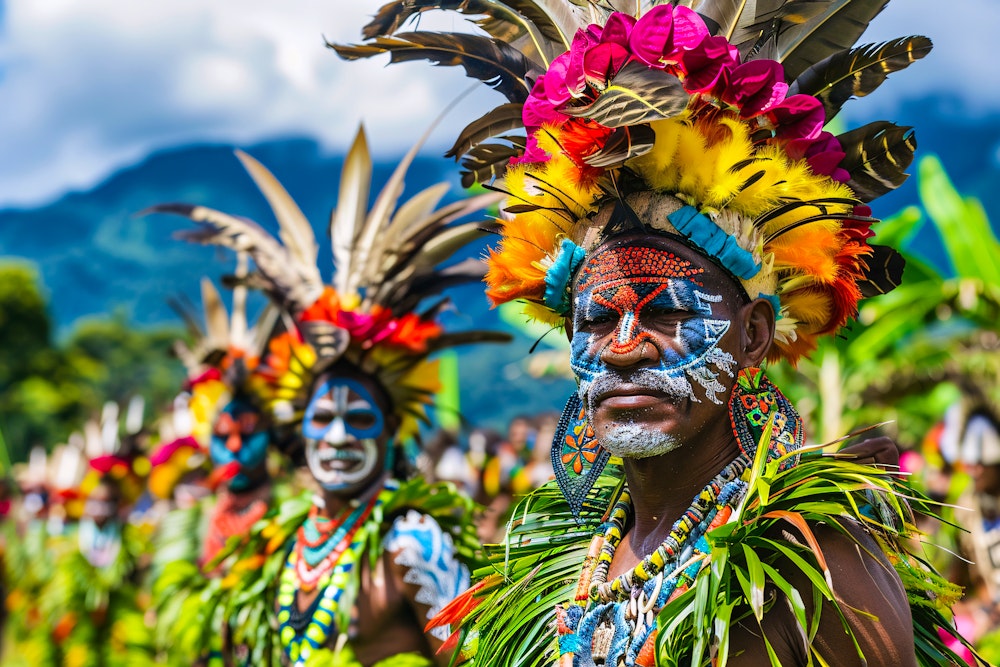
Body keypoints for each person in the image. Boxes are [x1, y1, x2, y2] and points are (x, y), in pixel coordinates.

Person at [338, 1, 977, 664]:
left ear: (753, 335)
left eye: (669, 312)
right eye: (596, 318)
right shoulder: (550, 576)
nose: (623, 344)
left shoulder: (818, 574)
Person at [155, 126, 508, 666]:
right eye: (323, 417)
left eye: (360, 419)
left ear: (392, 434)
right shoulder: (283, 540)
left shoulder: (414, 544)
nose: (339, 436)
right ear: (301, 430)